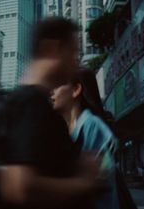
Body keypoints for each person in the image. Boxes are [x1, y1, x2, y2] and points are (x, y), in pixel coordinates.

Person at [0, 17, 101, 209]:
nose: (76, 62)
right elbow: (20, 186)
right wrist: (85, 183)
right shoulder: (31, 104)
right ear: (52, 48)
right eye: (73, 52)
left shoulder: (13, 104)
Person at [51, 67, 120, 209]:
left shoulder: (92, 125)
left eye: (58, 84)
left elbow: (97, 182)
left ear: (76, 90)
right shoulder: (68, 130)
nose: (52, 90)